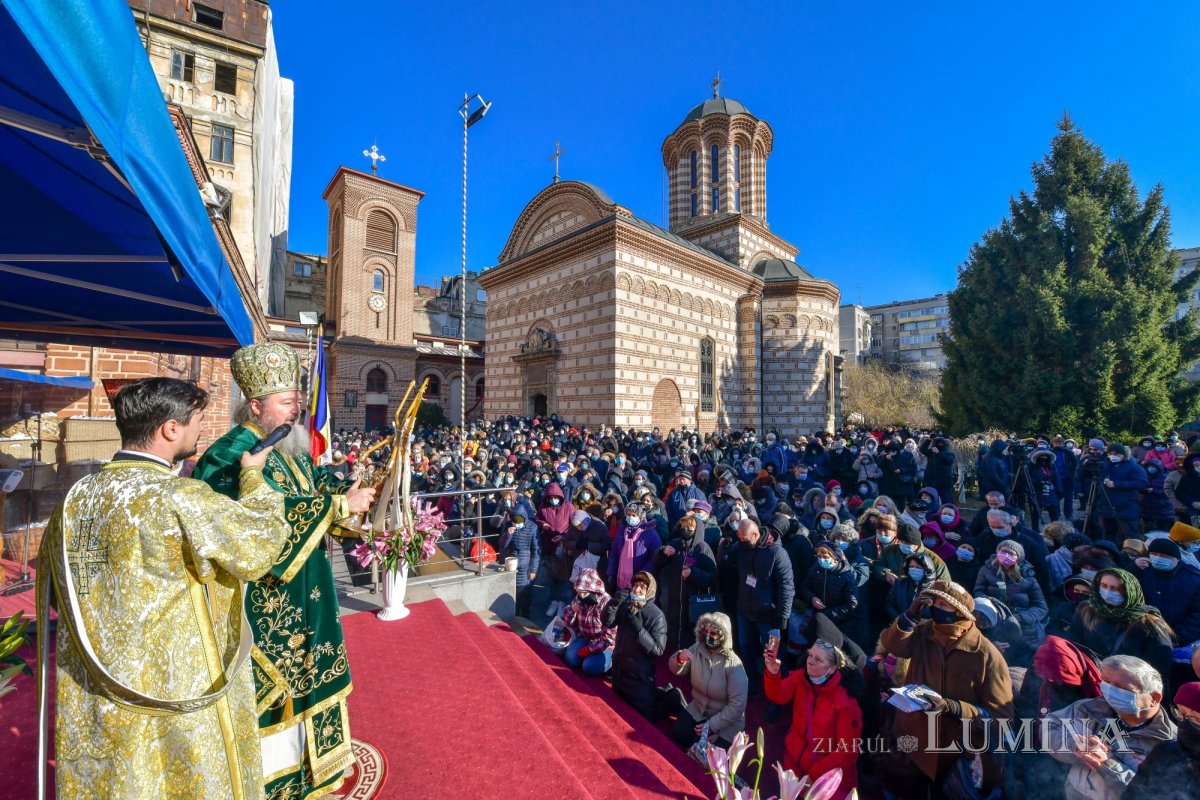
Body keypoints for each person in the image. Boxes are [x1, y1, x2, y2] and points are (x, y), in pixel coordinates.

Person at [37, 378, 292, 799]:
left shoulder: (75, 497)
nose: (199, 432)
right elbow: (258, 546)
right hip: (174, 682)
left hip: (94, 682)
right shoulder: (179, 496)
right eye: (195, 422)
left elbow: (52, 591)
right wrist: (252, 478)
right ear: (171, 429)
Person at [193, 343, 374, 798]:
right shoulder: (228, 454)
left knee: (314, 675)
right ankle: (274, 783)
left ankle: (319, 770)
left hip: (309, 592)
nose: (297, 407)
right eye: (287, 400)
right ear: (255, 406)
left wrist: (347, 489)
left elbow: (308, 489)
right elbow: (255, 525)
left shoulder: (288, 447)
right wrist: (336, 505)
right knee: (277, 691)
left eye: (298, 398)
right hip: (266, 605)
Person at [878, 580, 1014, 798]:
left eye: (943, 604)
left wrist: (953, 707)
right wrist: (909, 616)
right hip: (911, 742)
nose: (935, 608)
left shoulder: (987, 655)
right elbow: (894, 645)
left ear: (959, 611)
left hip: (954, 753)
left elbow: (1000, 717)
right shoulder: (923, 631)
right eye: (934, 602)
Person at [1044, 655, 1177, 800]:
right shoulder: (1088, 708)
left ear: (1154, 698)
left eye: (1120, 687)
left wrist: (1106, 764)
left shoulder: (1170, 744)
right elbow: (1049, 727)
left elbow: (1154, 794)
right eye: (1106, 682)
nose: (1110, 691)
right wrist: (1073, 744)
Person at [764, 638, 862, 797]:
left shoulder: (846, 703)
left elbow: (847, 752)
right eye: (810, 655)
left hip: (823, 779)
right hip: (794, 767)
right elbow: (778, 696)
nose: (810, 661)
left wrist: (814, 774)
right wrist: (772, 673)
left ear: (832, 669)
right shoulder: (800, 678)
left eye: (818, 659)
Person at [1067, 568, 1176, 685]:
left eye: (1115, 588)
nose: (1107, 592)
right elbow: (1074, 643)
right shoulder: (1087, 610)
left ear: (1129, 591)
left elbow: (1159, 666)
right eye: (1103, 586)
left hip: (1131, 688)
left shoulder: (1148, 623)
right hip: (1090, 682)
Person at [731, 518, 795, 700]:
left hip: (769, 615)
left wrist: (782, 617)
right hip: (745, 610)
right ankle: (752, 684)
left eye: (744, 539)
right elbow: (726, 563)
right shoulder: (741, 547)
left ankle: (777, 696)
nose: (741, 543)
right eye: (739, 539)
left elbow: (787, 587)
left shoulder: (777, 553)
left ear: (755, 535)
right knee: (746, 648)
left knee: (773, 656)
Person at [668, 612, 748, 750]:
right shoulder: (697, 648)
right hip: (699, 708)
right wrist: (679, 658)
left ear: (723, 636)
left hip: (724, 720)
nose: (708, 636)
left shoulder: (734, 665)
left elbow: (737, 706)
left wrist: (712, 726)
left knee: (702, 753)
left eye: (714, 633)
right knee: (679, 733)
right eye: (706, 631)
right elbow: (675, 669)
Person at [604, 571, 668, 719]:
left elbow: (658, 650)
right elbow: (608, 622)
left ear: (650, 590)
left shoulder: (657, 615)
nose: (637, 590)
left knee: (641, 719)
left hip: (638, 680)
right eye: (635, 585)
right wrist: (613, 604)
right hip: (619, 673)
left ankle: (669, 697)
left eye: (643, 587)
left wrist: (640, 630)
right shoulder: (626, 604)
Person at [1124, 681, 1200, 799]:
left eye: (1197, 719)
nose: (1185, 722)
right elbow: (1133, 791)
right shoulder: (1165, 750)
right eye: (1181, 713)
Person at [654, 514, 718, 653]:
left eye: (689, 527)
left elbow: (712, 577)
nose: (685, 529)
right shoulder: (676, 543)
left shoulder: (702, 548)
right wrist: (662, 553)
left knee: (691, 629)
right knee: (673, 624)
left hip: (693, 599)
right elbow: (659, 562)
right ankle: (674, 652)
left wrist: (693, 573)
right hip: (675, 597)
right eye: (683, 526)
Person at [973, 539, 1049, 649]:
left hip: (1020, 628)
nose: (1006, 555)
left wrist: (1022, 617)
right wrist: (991, 608)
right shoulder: (986, 570)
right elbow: (978, 592)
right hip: (993, 623)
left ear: (1018, 557)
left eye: (1011, 553)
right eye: (1003, 551)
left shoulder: (1028, 578)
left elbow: (1041, 607)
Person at [1131, 538, 1200, 646]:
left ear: (1176, 559)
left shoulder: (1193, 579)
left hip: (1177, 640)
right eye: (1154, 554)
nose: (1158, 558)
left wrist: (1175, 638)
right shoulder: (1142, 571)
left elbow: (1197, 617)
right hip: (1141, 635)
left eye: (1164, 556)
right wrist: (1132, 568)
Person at [560, 568, 615, 674]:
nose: (580, 595)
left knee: (588, 666)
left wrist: (590, 649)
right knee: (570, 658)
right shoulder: (579, 598)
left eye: (584, 592)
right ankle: (589, 659)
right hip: (585, 637)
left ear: (592, 589)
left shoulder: (607, 603)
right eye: (579, 592)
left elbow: (610, 638)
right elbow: (569, 624)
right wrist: (572, 611)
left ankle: (611, 661)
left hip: (604, 644)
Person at [607, 501, 662, 601]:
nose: (630, 518)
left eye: (634, 515)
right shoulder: (622, 530)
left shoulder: (651, 534)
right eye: (628, 514)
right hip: (621, 580)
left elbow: (655, 558)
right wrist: (611, 572)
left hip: (640, 583)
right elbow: (614, 553)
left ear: (641, 517)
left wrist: (641, 576)